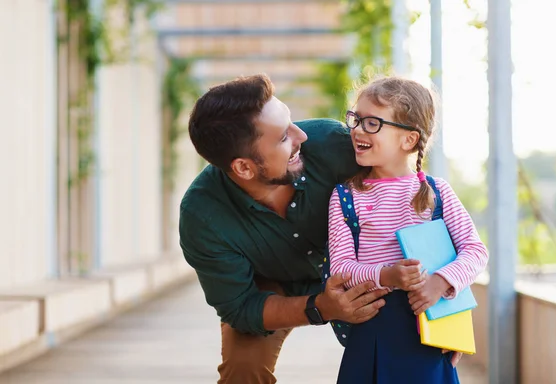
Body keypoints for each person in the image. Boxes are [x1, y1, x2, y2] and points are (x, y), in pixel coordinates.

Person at [179, 74, 392, 384]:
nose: (300, 136)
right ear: (244, 167)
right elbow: (240, 307)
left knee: (408, 352)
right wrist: (320, 307)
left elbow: (415, 204)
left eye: (292, 122)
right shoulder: (202, 216)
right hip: (269, 285)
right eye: (282, 138)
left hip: (362, 269)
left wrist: (447, 317)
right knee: (243, 368)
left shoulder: (333, 145)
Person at [327, 76, 489, 384]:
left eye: (372, 123)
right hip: (372, 332)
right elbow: (342, 268)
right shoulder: (346, 197)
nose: (358, 129)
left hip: (429, 332)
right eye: (356, 120)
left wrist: (440, 284)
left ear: (409, 140)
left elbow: (476, 251)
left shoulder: (437, 192)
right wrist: (387, 276)